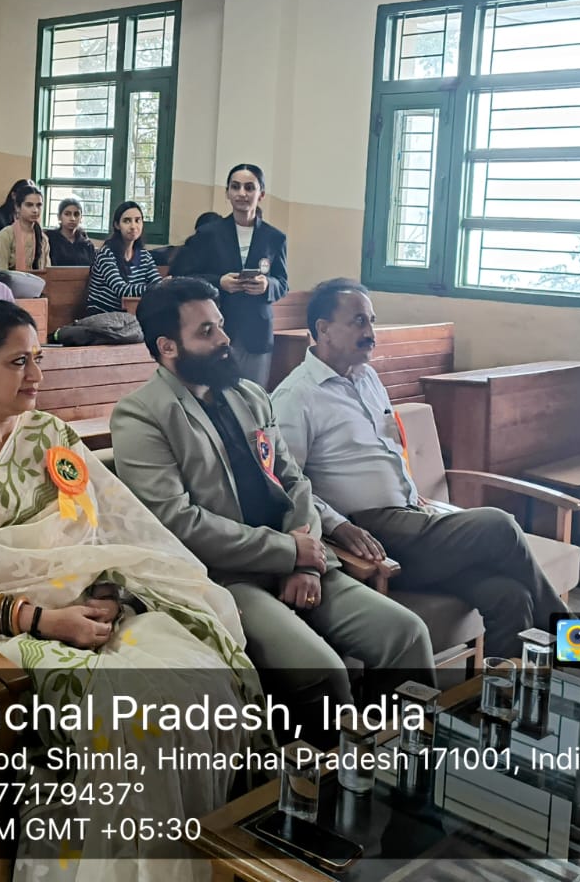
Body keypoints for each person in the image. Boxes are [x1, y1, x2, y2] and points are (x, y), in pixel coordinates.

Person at [0, 301, 263, 874]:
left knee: (200, 680)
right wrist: (44, 620)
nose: (37, 376)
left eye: (38, 359)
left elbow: (101, 530)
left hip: (85, 609)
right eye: (18, 362)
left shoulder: (50, 433)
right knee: (139, 712)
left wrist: (109, 593)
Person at [111, 278, 434, 713]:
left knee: (406, 635)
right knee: (321, 672)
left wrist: (306, 561)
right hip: (226, 578)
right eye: (206, 331)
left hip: (299, 558)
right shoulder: (141, 415)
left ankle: (405, 751)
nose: (225, 339)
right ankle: (333, 759)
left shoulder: (248, 395)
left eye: (220, 324)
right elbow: (178, 522)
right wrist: (288, 553)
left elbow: (295, 481)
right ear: (168, 347)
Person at [272, 280, 563, 658]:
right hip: (372, 534)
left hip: (413, 521)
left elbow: (388, 446)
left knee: (511, 597)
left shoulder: (367, 377)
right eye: (359, 322)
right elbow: (286, 485)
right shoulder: (296, 396)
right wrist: (337, 525)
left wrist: (410, 492)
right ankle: (577, 638)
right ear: (323, 329)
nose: (370, 332)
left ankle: (499, 694)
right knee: (499, 526)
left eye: (372, 321)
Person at [177, 164, 289, 387]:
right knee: (215, 393)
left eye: (249, 187)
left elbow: (283, 283)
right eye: (235, 187)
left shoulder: (274, 237)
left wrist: (267, 285)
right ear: (227, 193)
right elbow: (184, 276)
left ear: (261, 194)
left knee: (253, 396)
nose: (242, 193)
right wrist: (219, 282)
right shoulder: (208, 234)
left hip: (256, 331)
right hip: (216, 326)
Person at [85, 201, 162, 315]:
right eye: (127, 221)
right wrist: (157, 287)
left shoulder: (144, 256)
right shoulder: (106, 254)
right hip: (102, 315)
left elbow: (158, 284)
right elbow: (122, 290)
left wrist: (165, 286)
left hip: (129, 316)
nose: (133, 226)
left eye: (137, 220)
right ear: (117, 225)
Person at [0, 182, 50, 272]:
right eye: (29, 205)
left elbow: (47, 271)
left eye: (39, 205)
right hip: (10, 281)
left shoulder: (43, 239)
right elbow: (1, 272)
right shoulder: (6, 235)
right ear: (17, 207)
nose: (35, 210)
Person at [48, 198, 96, 267]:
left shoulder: (86, 244)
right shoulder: (50, 239)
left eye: (76, 214)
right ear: (59, 217)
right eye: (67, 214)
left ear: (81, 218)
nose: (72, 218)